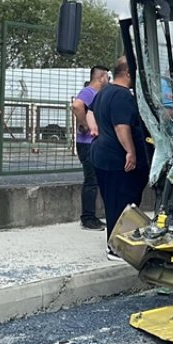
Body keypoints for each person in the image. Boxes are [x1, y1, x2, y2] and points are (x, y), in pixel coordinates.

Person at [92, 56, 151, 258]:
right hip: (118, 159)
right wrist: (131, 152)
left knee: (113, 202)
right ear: (128, 73)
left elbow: (92, 114)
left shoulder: (104, 92)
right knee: (124, 203)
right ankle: (117, 247)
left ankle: (116, 243)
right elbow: (121, 126)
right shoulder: (122, 95)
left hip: (102, 155)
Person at [72, 66, 109, 230]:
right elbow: (77, 105)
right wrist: (84, 124)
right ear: (101, 77)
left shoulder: (98, 94)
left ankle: (91, 216)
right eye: (107, 76)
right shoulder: (89, 92)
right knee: (91, 180)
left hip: (94, 143)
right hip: (87, 143)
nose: (108, 80)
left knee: (95, 180)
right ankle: (87, 218)